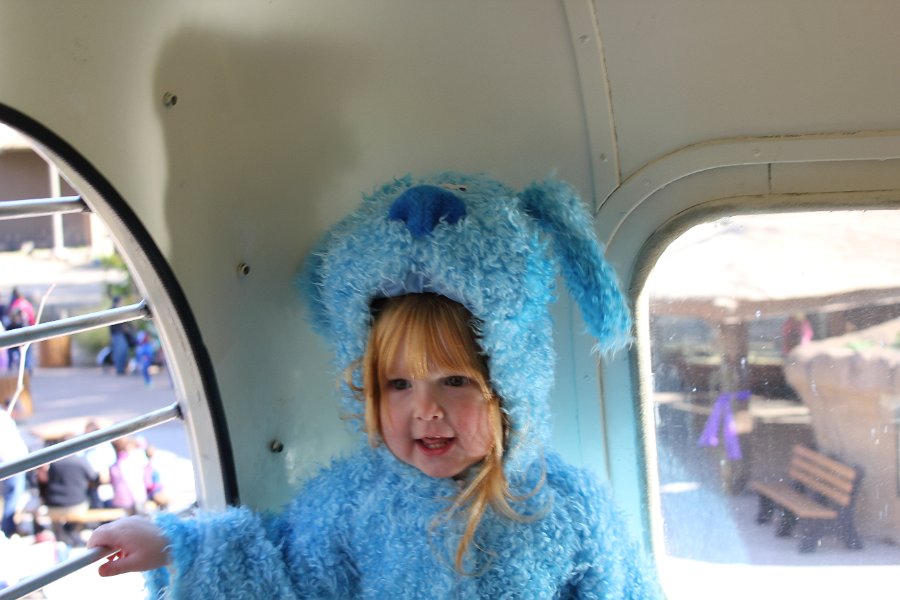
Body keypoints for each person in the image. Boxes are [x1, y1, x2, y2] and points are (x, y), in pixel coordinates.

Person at [88, 173, 662, 598]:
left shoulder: (568, 506)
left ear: (513, 385)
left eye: (455, 380)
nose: (426, 409)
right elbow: (280, 570)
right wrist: (177, 546)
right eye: (399, 384)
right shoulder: (353, 502)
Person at [0, 406, 29, 538]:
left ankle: (8, 529)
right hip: (11, 462)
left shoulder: (3, 417)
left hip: (12, 460)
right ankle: (7, 530)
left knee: (12, 498)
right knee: (12, 498)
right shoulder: (3, 417)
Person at [108, 296, 132, 375]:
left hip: (120, 334)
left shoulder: (119, 310)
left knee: (123, 350)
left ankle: (122, 368)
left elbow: (126, 321)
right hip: (116, 334)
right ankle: (119, 369)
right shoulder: (112, 311)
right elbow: (111, 326)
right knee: (119, 351)